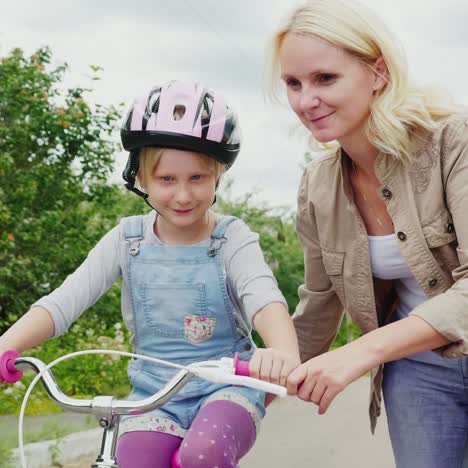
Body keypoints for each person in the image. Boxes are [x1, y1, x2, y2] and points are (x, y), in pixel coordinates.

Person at [0, 80, 300, 468]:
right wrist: (8, 342)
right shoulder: (128, 240)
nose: (183, 195)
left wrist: (281, 352)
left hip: (227, 389)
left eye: (197, 178)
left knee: (203, 454)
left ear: (218, 176)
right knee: (135, 459)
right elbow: (63, 302)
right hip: (154, 396)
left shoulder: (230, 238)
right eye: (166, 180)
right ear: (140, 178)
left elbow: (263, 297)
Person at [267, 1, 468, 467]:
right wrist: (242, 397)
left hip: (394, 347)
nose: (305, 100)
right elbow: (317, 308)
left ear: (377, 73)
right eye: (293, 84)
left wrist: (359, 353)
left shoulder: (453, 142)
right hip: (418, 371)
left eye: (325, 79)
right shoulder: (317, 186)